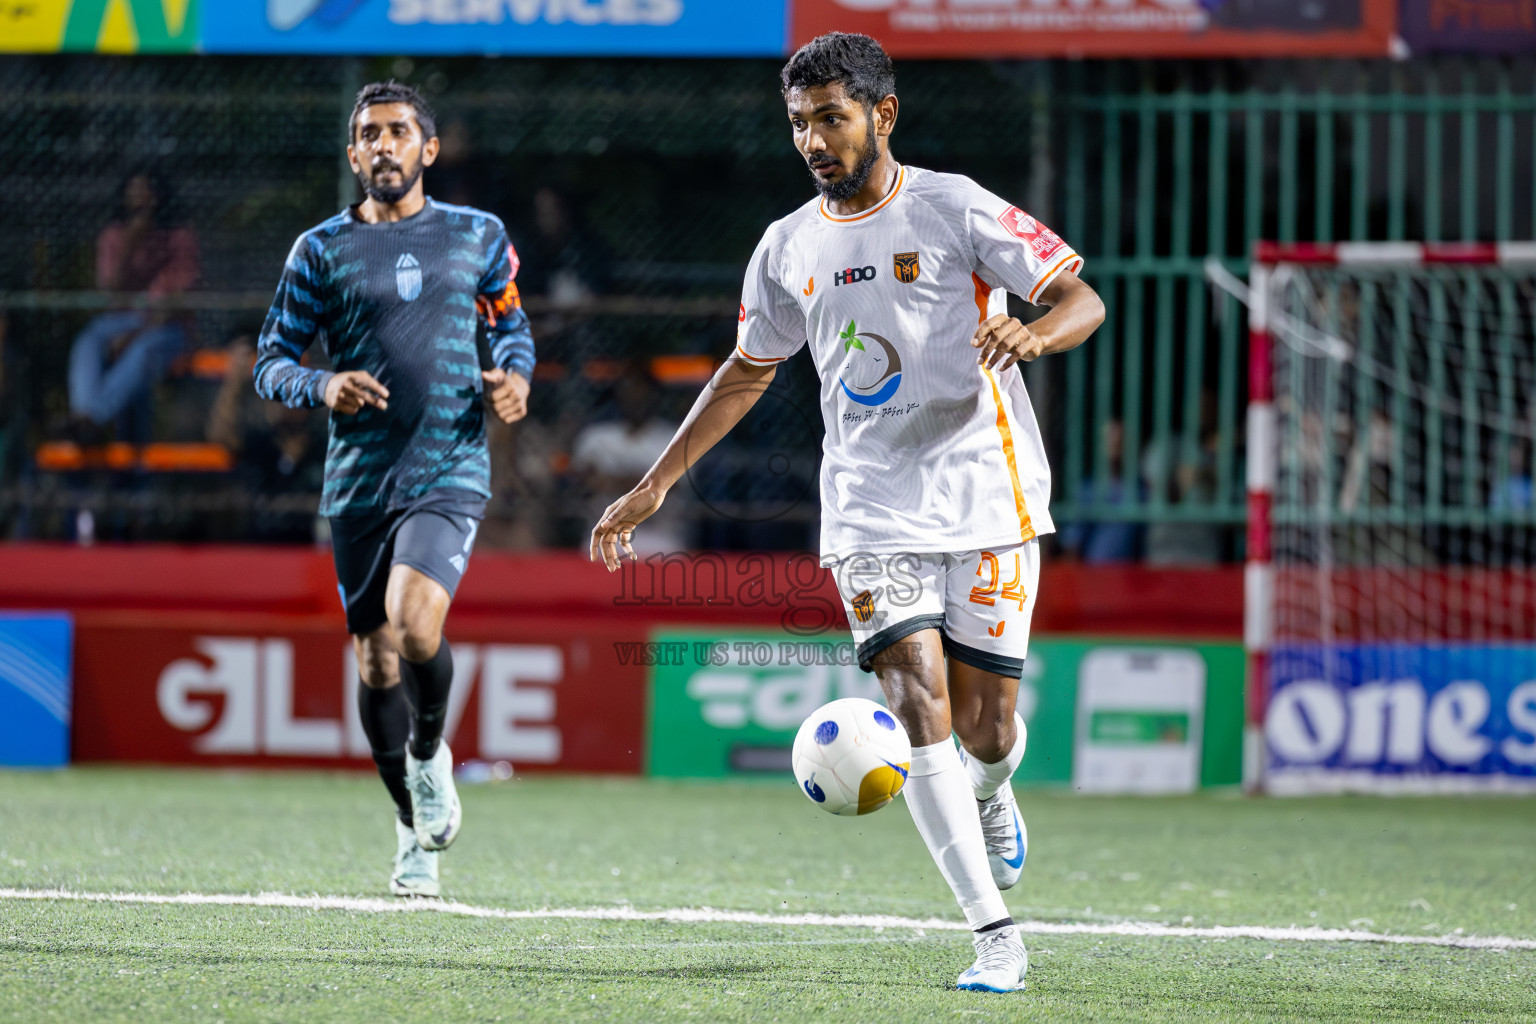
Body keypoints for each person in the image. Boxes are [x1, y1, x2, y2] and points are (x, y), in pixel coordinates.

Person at [590, 34, 1104, 993]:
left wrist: (1034, 333)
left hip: (988, 496)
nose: (814, 140)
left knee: (988, 729)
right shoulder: (787, 246)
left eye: (831, 118)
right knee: (917, 701)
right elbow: (747, 370)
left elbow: (1082, 299)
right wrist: (658, 482)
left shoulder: (954, 206)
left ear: (883, 114)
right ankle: (995, 935)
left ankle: (993, 791)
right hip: (869, 511)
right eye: (799, 123)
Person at [253, 81, 534, 898]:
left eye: (398, 131)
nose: (383, 144)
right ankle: (413, 830)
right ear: (353, 154)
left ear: (427, 149)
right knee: (376, 661)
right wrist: (322, 385)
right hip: (358, 483)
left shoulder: (478, 234)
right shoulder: (319, 250)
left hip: (450, 465)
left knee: (415, 622)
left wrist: (515, 377)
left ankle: (428, 752)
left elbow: (511, 324)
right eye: (369, 133)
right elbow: (271, 361)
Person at [68, 172, 200, 440]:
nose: (141, 199)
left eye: (147, 191)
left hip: (166, 327)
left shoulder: (179, 237)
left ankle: (92, 419)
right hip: (121, 322)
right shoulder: (113, 236)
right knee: (88, 340)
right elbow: (110, 292)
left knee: (142, 350)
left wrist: (136, 335)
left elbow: (181, 300)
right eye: (135, 191)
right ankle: (84, 415)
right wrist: (130, 244)